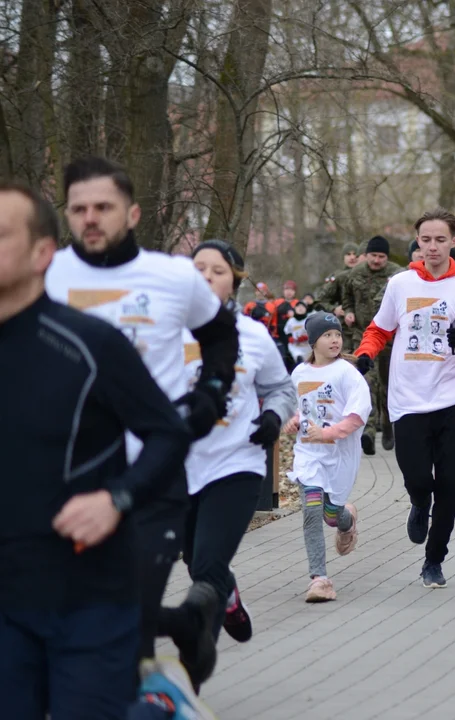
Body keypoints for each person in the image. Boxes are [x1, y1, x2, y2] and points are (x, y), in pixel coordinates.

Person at [0, 181, 209, 719]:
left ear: (42, 253)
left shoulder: (89, 344)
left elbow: (168, 432)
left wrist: (115, 497)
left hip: (86, 593)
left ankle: (156, 708)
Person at [44, 156, 239, 686]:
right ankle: (189, 619)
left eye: (103, 207)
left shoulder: (173, 276)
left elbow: (220, 335)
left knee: (119, 633)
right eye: (79, 208)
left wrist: (211, 395)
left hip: (154, 470)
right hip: (71, 473)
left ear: (130, 214)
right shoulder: (48, 274)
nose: (90, 218)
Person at [355, 208, 455, 588]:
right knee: (418, 478)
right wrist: (365, 355)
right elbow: (379, 330)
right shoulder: (400, 284)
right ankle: (419, 502)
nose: (432, 247)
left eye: (440, 239)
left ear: (454, 241)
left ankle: (434, 560)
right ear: (417, 242)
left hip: (454, 398)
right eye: (426, 240)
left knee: (451, 484)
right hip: (408, 399)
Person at [178, 239, 296, 648]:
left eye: (218, 271)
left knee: (209, 564)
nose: (207, 277)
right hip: (178, 464)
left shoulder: (252, 335)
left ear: (235, 281)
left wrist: (272, 417)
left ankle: (192, 667)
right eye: (198, 269)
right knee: (195, 562)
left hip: (236, 463)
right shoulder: (166, 328)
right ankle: (228, 597)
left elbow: (281, 387)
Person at [283, 313, 371, 601]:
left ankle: (346, 520)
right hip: (309, 454)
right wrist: (293, 421)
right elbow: (299, 408)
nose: (335, 340)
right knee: (310, 509)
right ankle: (320, 580)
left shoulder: (347, 373)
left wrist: (329, 434)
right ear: (313, 342)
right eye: (327, 335)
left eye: (337, 335)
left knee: (331, 515)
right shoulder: (299, 374)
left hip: (340, 455)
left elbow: (358, 415)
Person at [343, 235, 403, 455]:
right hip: (362, 336)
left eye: (381, 257)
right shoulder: (355, 273)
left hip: (389, 340)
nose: (377, 261)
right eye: (373, 256)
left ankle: (388, 425)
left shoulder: (398, 275)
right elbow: (346, 297)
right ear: (365, 255)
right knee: (367, 383)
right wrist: (348, 311)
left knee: (388, 387)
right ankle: (368, 431)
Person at [314, 242, 363, 351]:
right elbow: (319, 301)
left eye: (355, 254)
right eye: (348, 254)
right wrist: (334, 309)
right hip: (345, 331)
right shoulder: (338, 277)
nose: (352, 257)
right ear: (343, 257)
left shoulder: (367, 275)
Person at [283, 300, 311, 366]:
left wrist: (307, 337)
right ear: (295, 309)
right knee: (299, 359)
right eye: (298, 306)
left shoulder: (309, 320)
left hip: (307, 346)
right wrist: (290, 338)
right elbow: (287, 331)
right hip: (295, 346)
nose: (300, 308)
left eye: (302, 307)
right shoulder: (291, 321)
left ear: (306, 309)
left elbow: (314, 331)